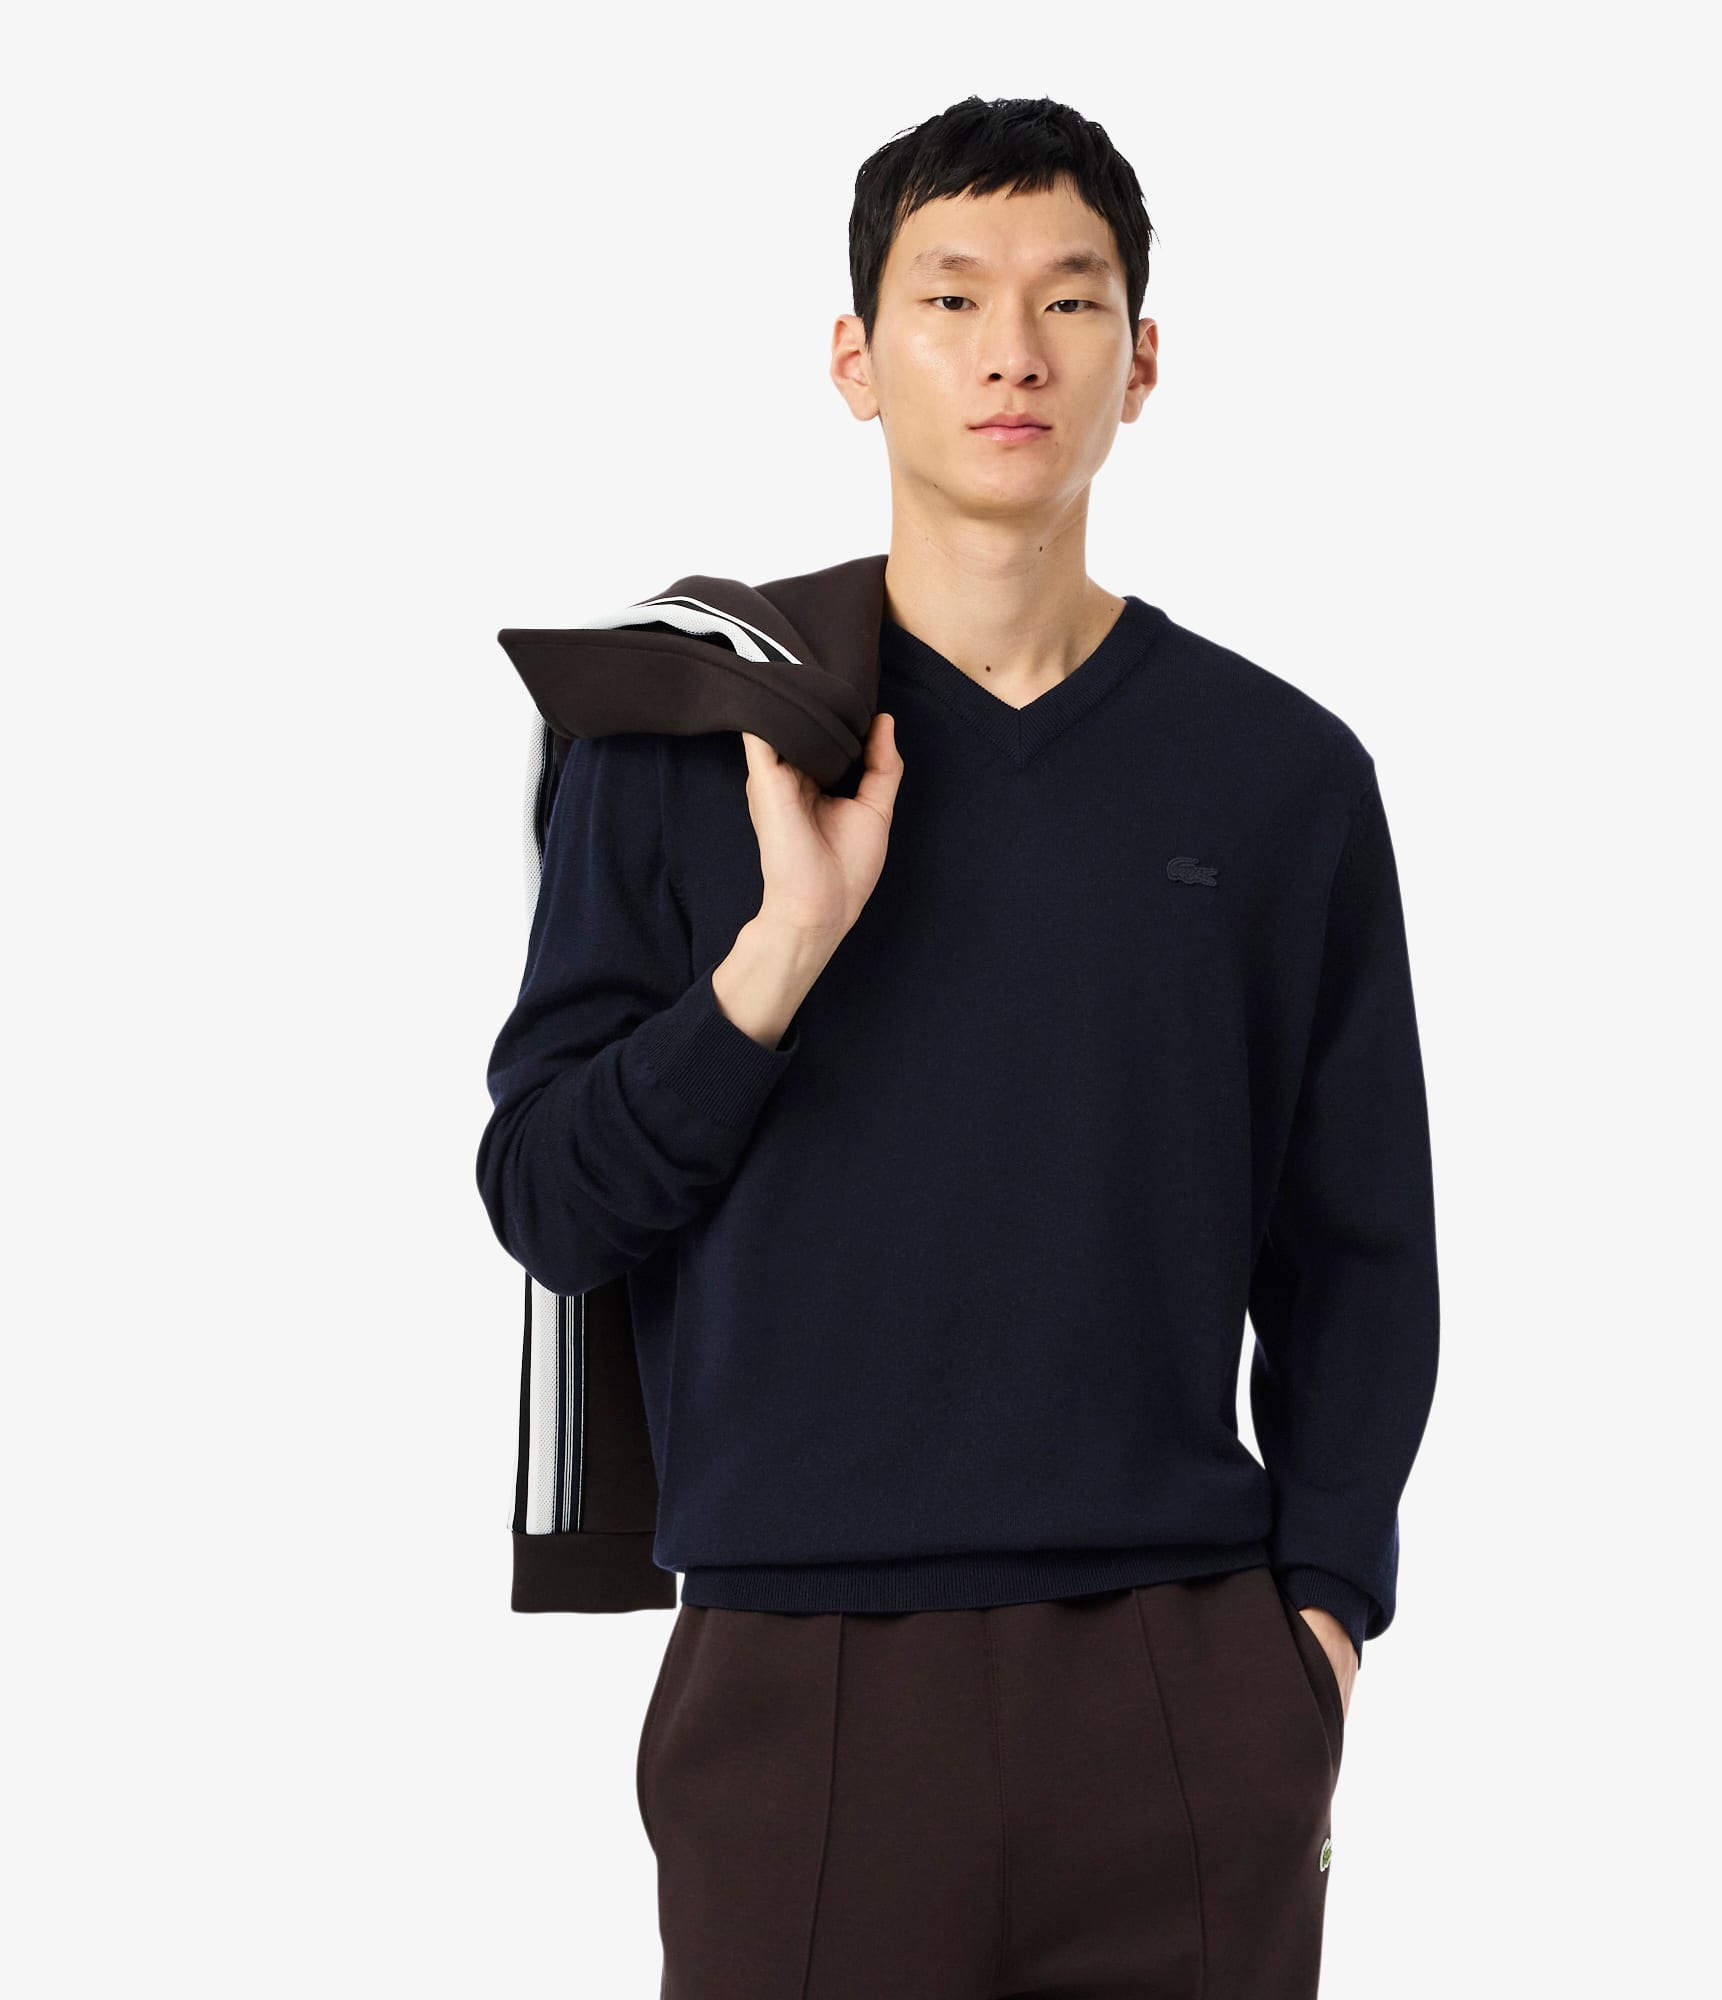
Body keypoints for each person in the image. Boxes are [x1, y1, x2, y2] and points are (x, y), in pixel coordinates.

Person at [477, 93, 1440, 2000]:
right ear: (856, 357)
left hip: (1180, 1677)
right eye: (950, 297)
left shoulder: (1283, 778)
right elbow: (550, 1206)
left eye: (1072, 301)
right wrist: (777, 958)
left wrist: (1316, 1630)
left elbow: (1361, 1251)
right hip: (797, 1685)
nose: (1014, 350)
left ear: (1140, 363)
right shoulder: (688, 745)